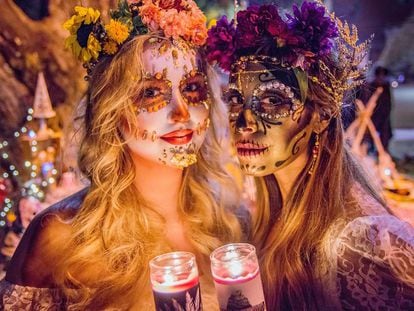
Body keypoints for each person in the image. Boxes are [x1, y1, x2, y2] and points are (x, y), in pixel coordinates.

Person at [0, 1, 243, 309]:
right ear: (111, 111)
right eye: (151, 92)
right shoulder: (61, 236)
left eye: (193, 88)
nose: (182, 113)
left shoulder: (228, 223)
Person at [207, 2, 414, 310]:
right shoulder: (266, 214)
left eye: (273, 99)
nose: (245, 123)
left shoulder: (362, 242)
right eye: (237, 99)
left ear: (322, 115)